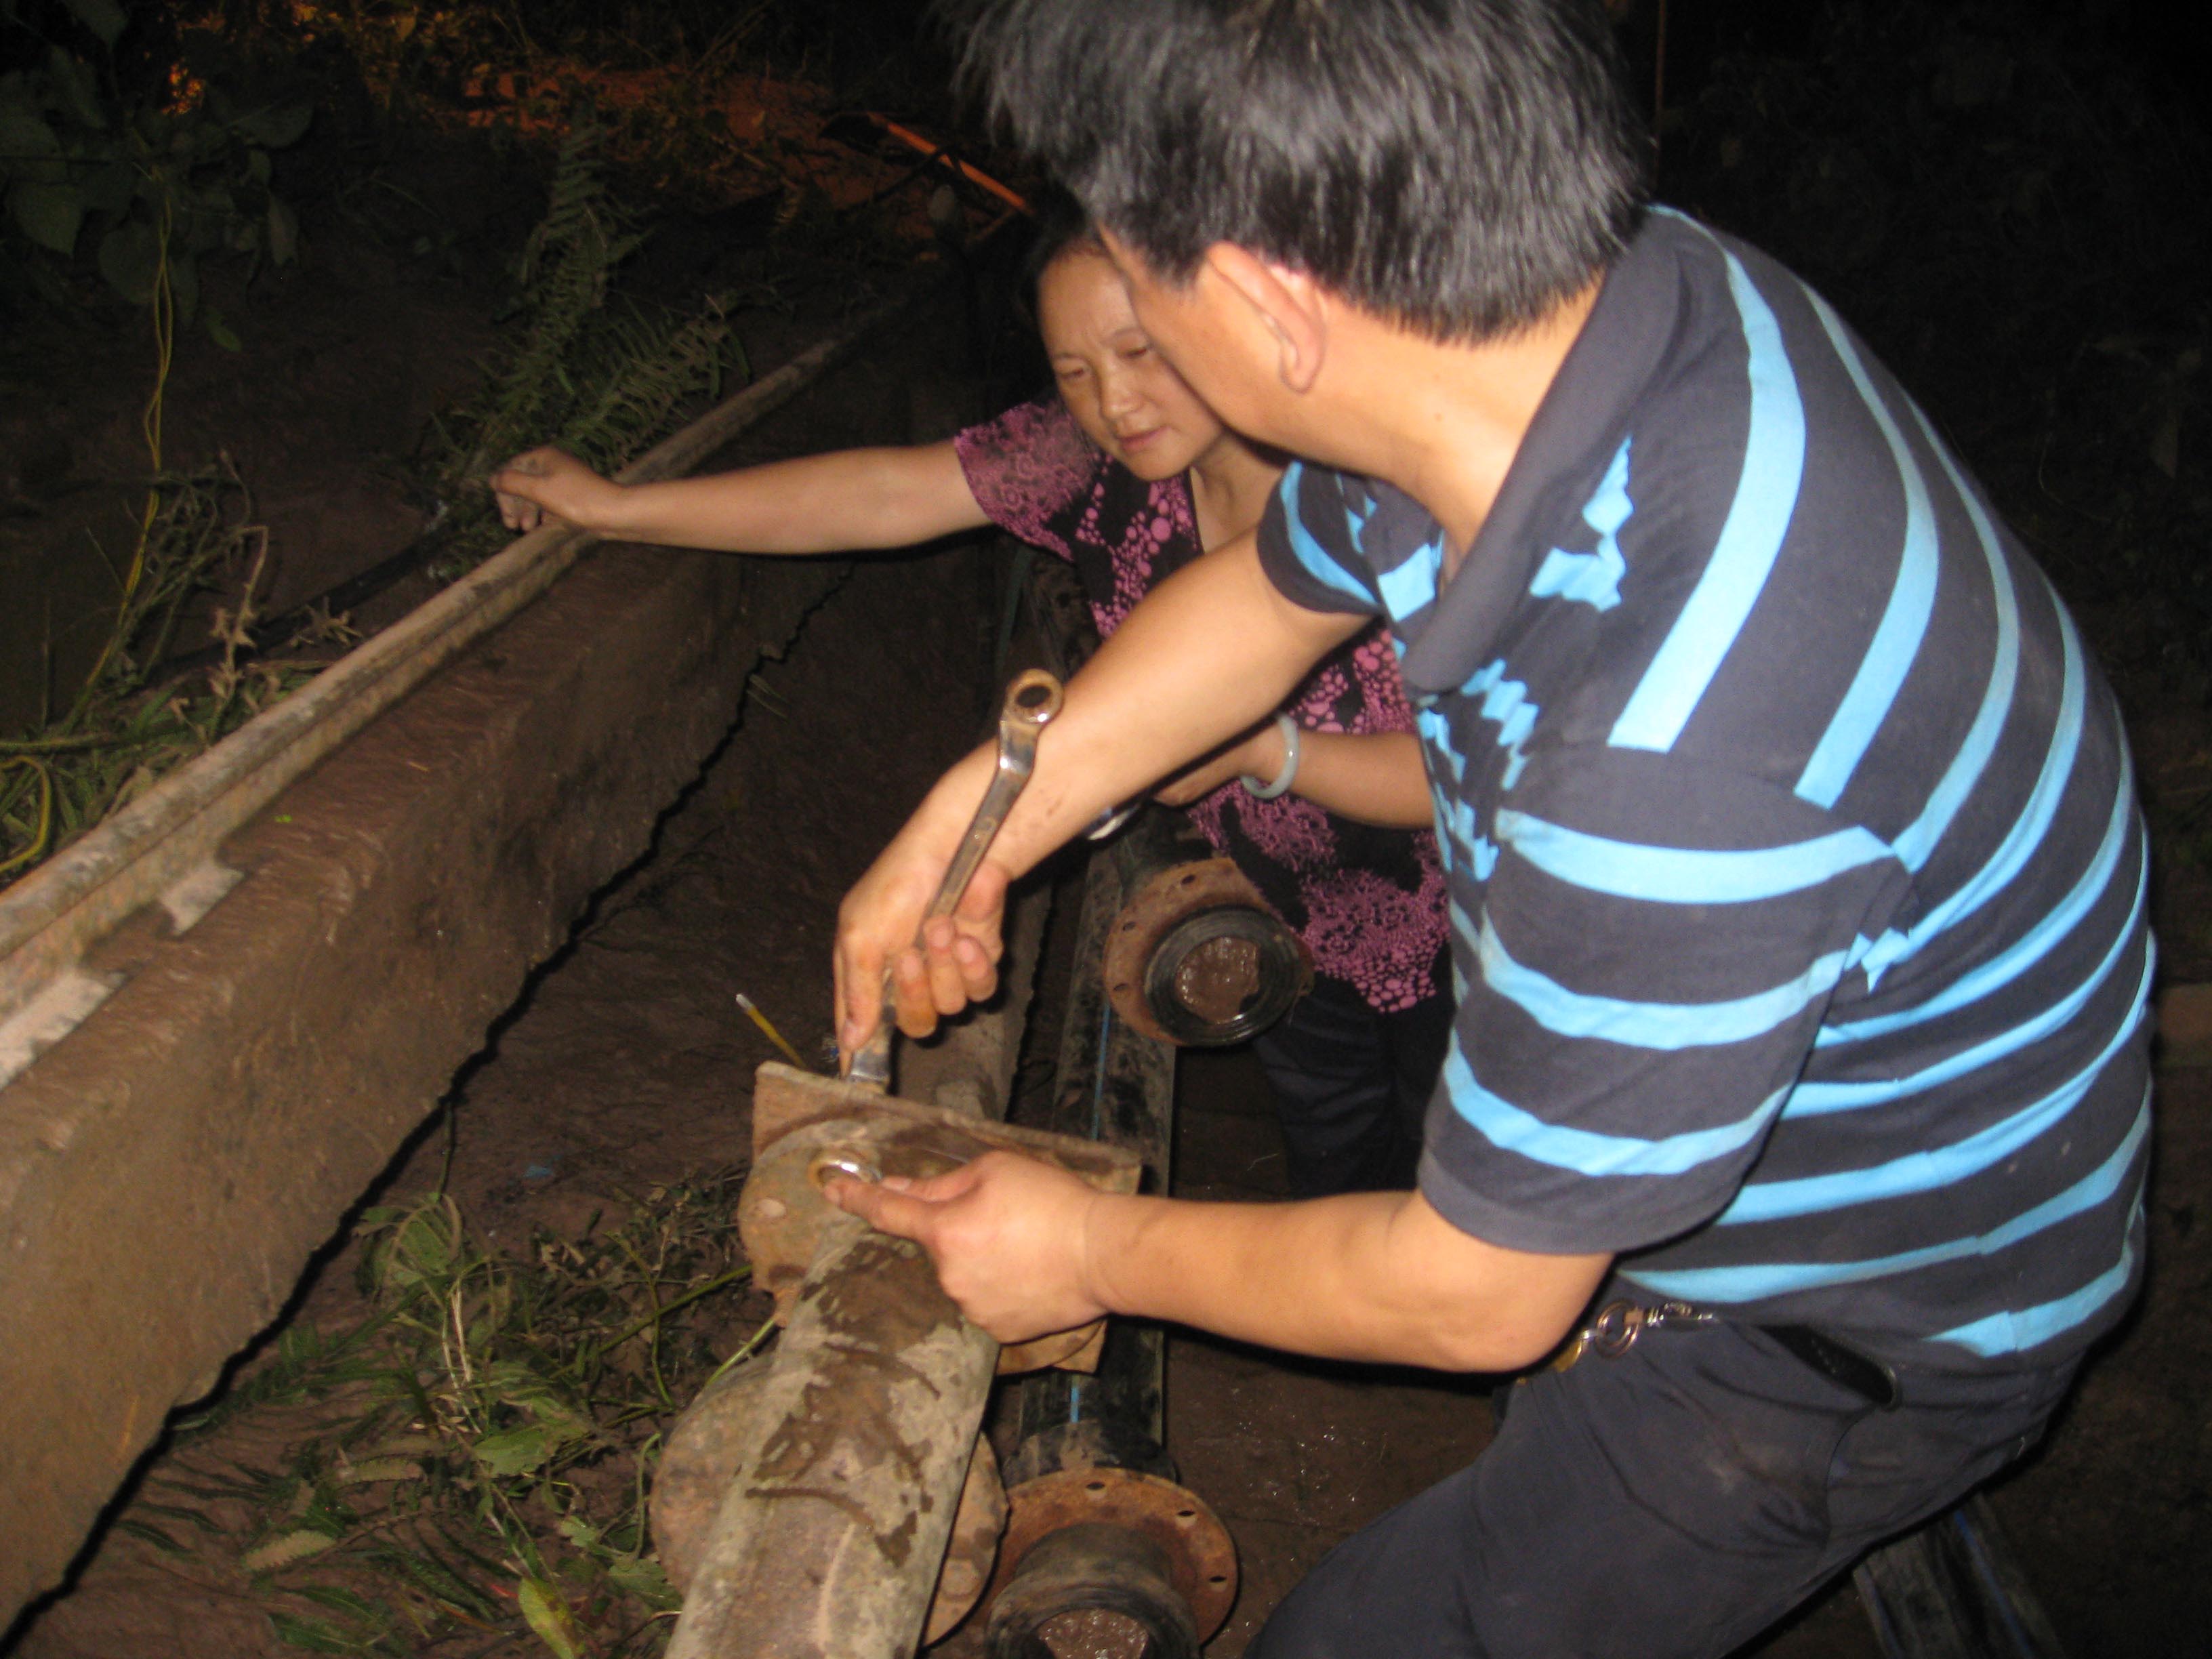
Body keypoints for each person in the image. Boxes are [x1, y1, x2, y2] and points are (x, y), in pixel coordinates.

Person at [823, 3, 2152, 1655]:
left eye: (1148, 286)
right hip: (1736, 1142)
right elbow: (1271, 595)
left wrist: (1088, 1248)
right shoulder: (1579, 316)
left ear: (1265, 301)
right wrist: (981, 817)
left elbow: (1472, 1295)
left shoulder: (1679, 749)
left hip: (1853, 1317)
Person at [489, 197, 1452, 1199]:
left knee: (1472, 1186)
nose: (1116, 401)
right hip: (1289, 925)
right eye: (1074, 372)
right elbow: (887, 494)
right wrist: (619, 509)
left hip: (1476, 933)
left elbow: (1488, 779)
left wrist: (1267, 751)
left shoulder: (1394, 498)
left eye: (1142, 352)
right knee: (1340, 1163)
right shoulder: (1097, 465)